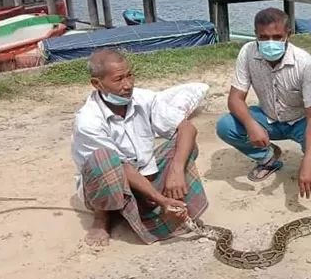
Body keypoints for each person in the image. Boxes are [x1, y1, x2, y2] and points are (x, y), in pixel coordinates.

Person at [70, 49, 209, 247]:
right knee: (104, 158)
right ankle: (103, 218)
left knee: (184, 144)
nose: (127, 85)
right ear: (97, 84)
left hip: (144, 176)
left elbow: (186, 127)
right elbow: (122, 166)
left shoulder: (145, 99)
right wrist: (160, 199)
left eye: (129, 75)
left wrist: (176, 170)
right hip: (109, 180)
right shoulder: (88, 120)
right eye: (118, 79)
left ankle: (148, 203)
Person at [216, 7, 311, 199]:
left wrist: (309, 159)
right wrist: (251, 124)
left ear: (288, 34)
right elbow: (235, 99)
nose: (270, 42)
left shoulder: (305, 63)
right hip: (269, 117)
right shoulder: (247, 52)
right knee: (225, 126)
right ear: (255, 35)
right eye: (263, 37)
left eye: (277, 36)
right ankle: (268, 157)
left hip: (301, 120)